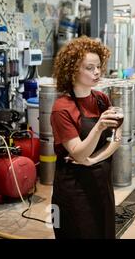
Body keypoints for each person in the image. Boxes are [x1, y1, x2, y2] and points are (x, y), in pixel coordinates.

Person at [50, 36, 123, 239]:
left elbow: (118, 138)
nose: (97, 72)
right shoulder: (62, 108)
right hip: (75, 189)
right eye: (90, 68)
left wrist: (96, 159)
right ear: (73, 70)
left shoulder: (101, 99)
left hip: (101, 184)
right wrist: (98, 127)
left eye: (99, 66)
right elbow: (79, 154)